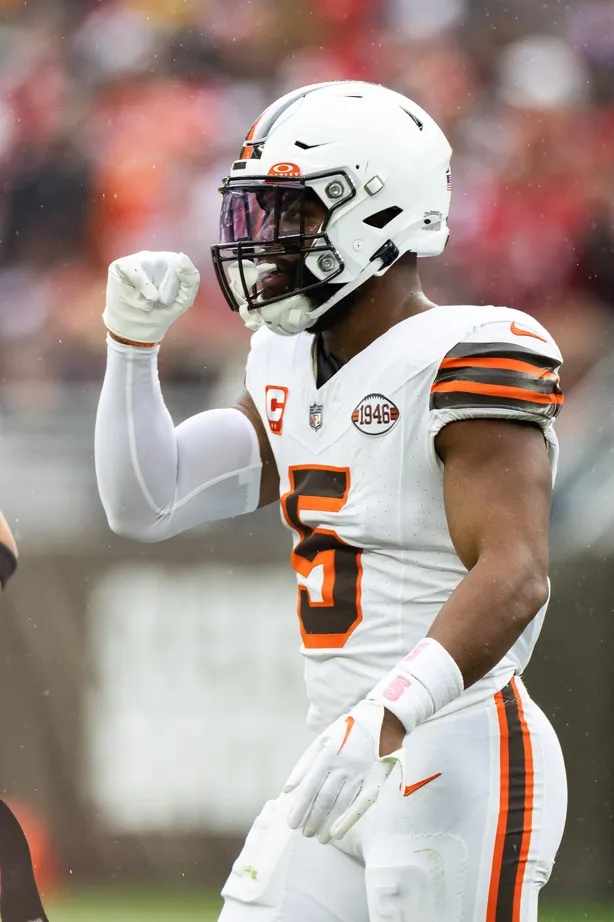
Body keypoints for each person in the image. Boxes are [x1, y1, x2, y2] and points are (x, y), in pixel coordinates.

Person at [95, 81, 567, 922]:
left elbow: (517, 571)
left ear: (378, 214)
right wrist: (130, 351)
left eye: (291, 212)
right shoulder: (283, 364)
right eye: (253, 212)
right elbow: (149, 502)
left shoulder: (471, 348)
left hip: (458, 743)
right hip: (342, 748)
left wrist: (390, 712)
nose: (260, 239)